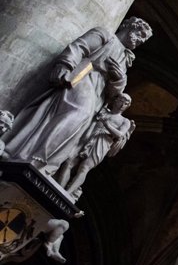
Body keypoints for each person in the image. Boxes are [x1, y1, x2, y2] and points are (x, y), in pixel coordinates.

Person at [2, 17, 152, 173]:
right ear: (129, 27)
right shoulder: (106, 36)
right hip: (83, 77)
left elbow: (115, 93)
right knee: (79, 113)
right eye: (140, 34)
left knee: (79, 129)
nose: (140, 41)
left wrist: (119, 79)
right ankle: (32, 155)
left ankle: (45, 165)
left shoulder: (125, 59)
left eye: (143, 39)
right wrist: (65, 64)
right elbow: (80, 47)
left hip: (98, 95)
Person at [53, 93, 135, 197]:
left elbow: (120, 134)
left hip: (102, 143)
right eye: (121, 100)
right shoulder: (104, 111)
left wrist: (106, 124)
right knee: (69, 161)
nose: (123, 104)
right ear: (115, 100)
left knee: (84, 168)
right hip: (88, 137)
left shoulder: (125, 121)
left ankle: (67, 194)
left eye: (126, 103)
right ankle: (59, 189)